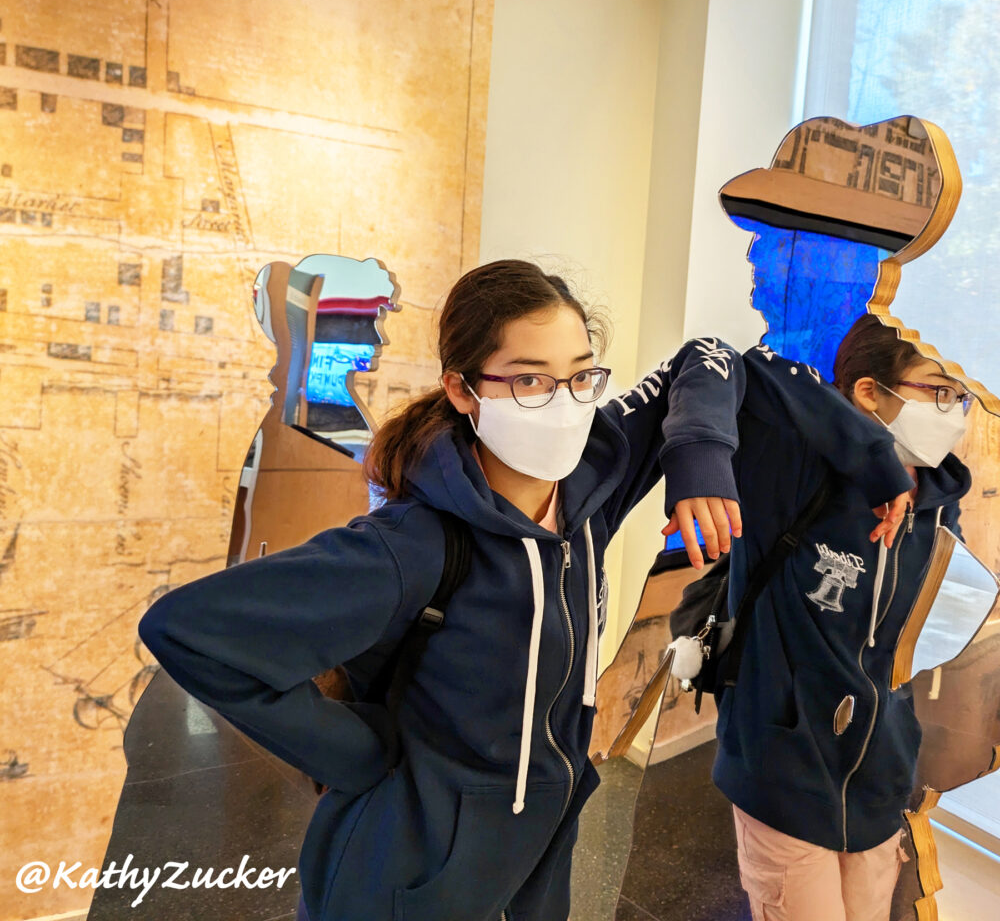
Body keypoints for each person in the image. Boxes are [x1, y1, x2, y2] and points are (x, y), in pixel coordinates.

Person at [138, 258, 747, 921]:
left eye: (580, 375)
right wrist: (358, 756)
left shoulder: (592, 485)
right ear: (462, 390)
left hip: (538, 857)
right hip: (409, 876)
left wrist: (698, 459)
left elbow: (709, 355)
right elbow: (187, 629)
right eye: (531, 380)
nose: (567, 403)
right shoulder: (412, 542)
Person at [713, 314, 972, 921]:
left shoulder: (938, 506)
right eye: (937, 390)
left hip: (880, 778)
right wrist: (868, 453)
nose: (953, 409)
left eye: (960, 394)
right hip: (784, 773)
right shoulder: (796, 474)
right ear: (867, 392)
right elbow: (746, 366)